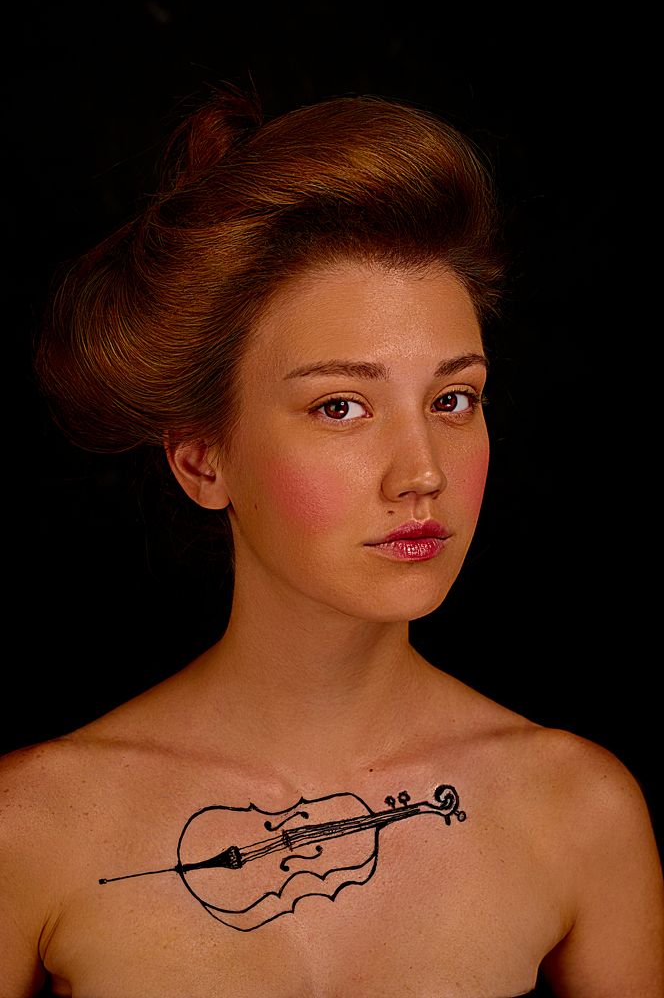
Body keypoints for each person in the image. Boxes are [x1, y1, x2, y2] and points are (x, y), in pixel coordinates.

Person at [1, 87, 661, 998]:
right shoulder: (30, 830)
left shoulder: (578, 812)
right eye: (341, 407)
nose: (421, 472)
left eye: (453, 400)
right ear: (201, 461)